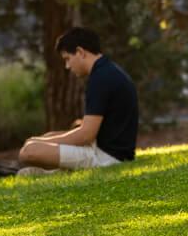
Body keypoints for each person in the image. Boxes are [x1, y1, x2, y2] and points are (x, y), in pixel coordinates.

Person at [18, 26, 139, 172]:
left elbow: (86, 135)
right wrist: (44, 140)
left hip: (106, 158)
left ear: (80, 52)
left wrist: (38, 143)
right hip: (105, 150)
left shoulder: (100, 78)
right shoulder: (107, 71)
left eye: (68, 59)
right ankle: (51, 172)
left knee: (29, 151)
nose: (67, 66)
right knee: (46, 137)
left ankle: (51, 170)